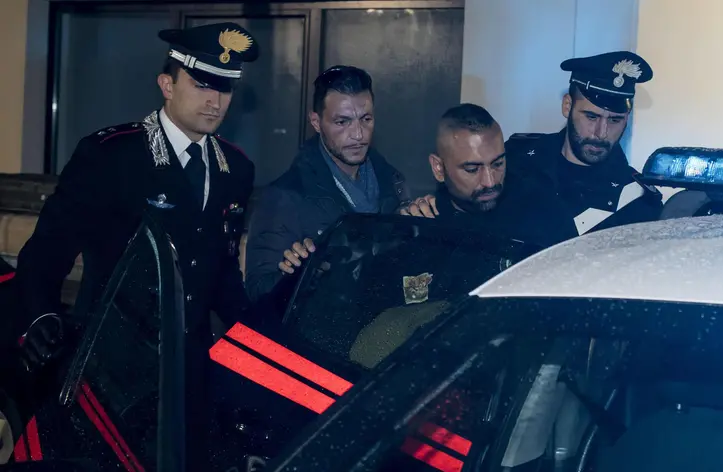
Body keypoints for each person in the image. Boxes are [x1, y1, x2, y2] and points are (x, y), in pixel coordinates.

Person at [11, 22, 259, 467]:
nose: (214, 100)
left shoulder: (234, 170)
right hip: (112, 369)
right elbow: (46, 253)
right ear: (167, 84)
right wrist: (40, 317)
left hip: (191, 373)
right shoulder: (111, 155)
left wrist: (258, 338)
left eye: (225, 89)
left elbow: (221, 271)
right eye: (202, 84)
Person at [245, 65, 409, 305]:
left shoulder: (393, 182)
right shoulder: (285, 196)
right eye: (342, 122)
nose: (358, 134)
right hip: (322, 336)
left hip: (383, 329)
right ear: (316, 121)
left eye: (366, 119)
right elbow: (258, 291)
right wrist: (299, 274)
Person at [505, 51, 664, 237]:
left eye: (614, 120)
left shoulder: (637, 200)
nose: (601, 133)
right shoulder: (516, 158)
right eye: (591, 117)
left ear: (627, 119)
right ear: (567, 106)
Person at [399, 103, 577, 248]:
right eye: (472, 169)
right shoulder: (424, 223)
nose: (490, 182)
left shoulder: (542, 212)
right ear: (438, 168)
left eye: (498, 164)